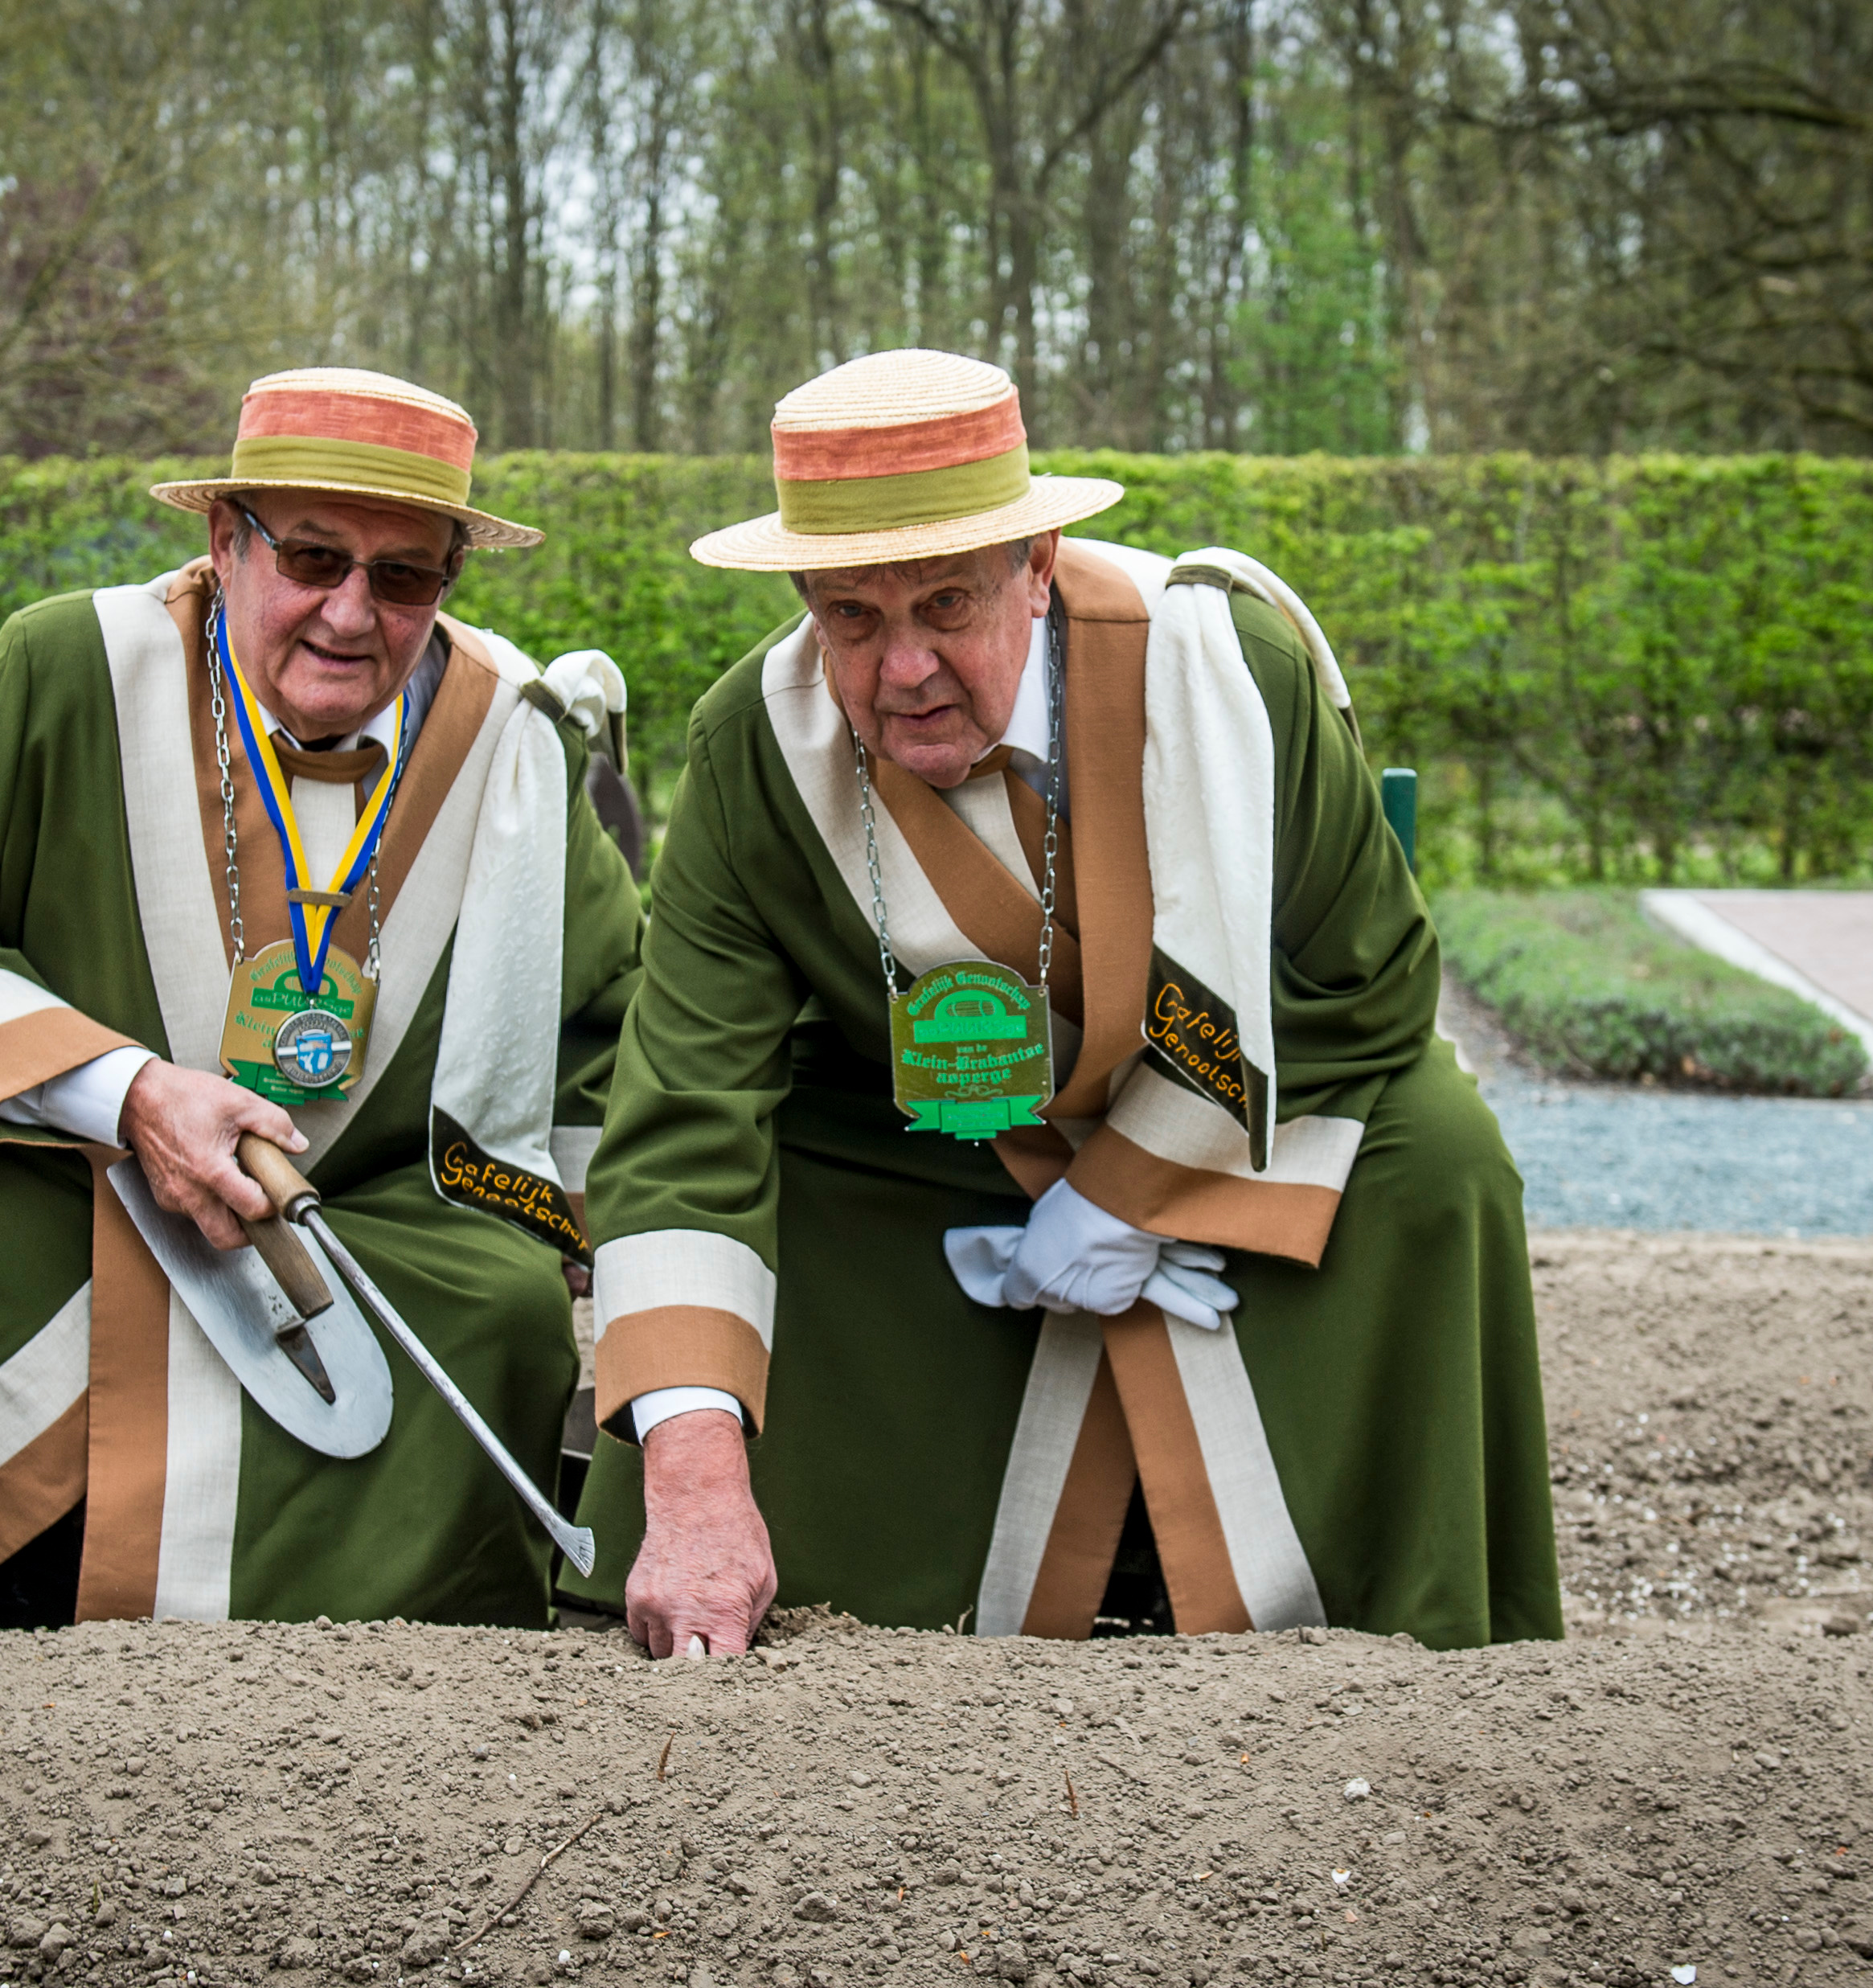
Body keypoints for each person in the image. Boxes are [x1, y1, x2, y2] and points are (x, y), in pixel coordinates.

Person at [568, 348, 1559, 1654]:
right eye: (851, 617)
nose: (904, 666)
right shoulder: (750, 748)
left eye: (945, 603)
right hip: (950, 1159)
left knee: (1444, 1157)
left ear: (1037, 564)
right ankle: (821, 1568)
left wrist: (1125, 1188)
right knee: (790, 1175)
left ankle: (1410, 1610)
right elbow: (686, 1111)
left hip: (1241, 1113)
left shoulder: (1228, 674)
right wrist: (689, 1473)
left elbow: (1365, 986)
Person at [0, 368, 642, 1629]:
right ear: (226, 542)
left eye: (404, 576)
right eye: (315, 556)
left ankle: (353, 1652)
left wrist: (636, 1258)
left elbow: (611, 1034)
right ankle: (22, 1560)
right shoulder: (63, 671)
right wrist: (126, 1094)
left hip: (361, 1223)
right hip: (84, 1181)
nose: (351, 612)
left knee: (496, 1299)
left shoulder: (514, 747)